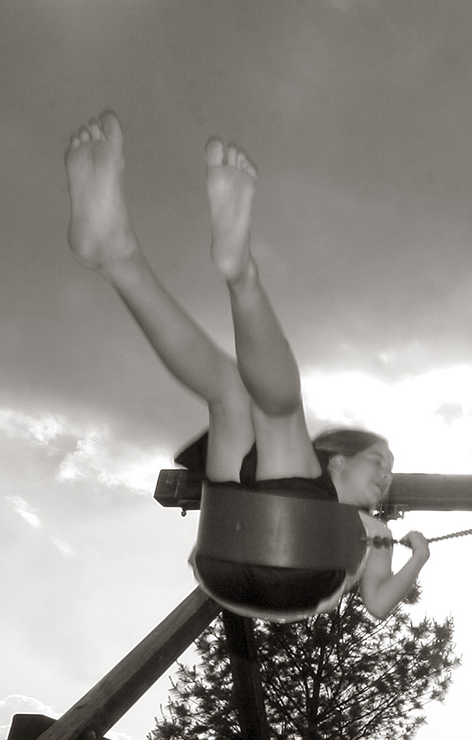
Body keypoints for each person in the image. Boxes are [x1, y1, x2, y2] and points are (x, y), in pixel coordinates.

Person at [65, 110, 429, 621]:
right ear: (338, 462)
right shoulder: (365, 527)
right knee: (230, 393)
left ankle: (239, 275)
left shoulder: (367, 529)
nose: (387, 475)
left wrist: (418, 558)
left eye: (384, 464)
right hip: (240, 549)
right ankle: (117, 255)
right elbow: (372, 597)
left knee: (270, 411)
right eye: (381, 462)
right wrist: (379, 537)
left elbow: (376, 605)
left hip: (281, 565)